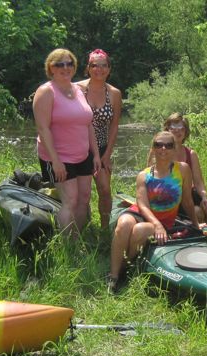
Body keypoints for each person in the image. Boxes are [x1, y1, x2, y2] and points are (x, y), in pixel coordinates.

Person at [108, 131, 200, 293]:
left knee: (140, 230)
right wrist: (156, 224)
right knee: (124, 225)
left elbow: (187, 200)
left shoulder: (183, 170)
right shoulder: (144, 175)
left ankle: (125, 267)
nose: (163, 148)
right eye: (158, 144)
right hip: (142, 213)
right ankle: (113, 276)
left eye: (168, 145)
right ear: (153, 148)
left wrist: (196, 224)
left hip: (165, 220)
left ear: (174, 149)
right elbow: (142, 205)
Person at [33, 48, 102, 240]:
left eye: (69, 63)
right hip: (59, 157)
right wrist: (55, 161)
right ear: (51, 68)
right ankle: (67, 248)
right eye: (59, 64)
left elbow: (87, 124)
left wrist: (95, 154)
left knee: (84, 198)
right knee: (70, 201)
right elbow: (43, 128)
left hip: (83, 155)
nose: (65, 68)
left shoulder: (78, 90)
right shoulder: (46, 91)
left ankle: (76, 240)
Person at [75, 49, 122, 229]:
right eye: (94, 65)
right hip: (79, 147)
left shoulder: (114, 94)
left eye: (103, 66)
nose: (99, 69)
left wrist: (107, 154)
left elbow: (115, 125)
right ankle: (84, 229)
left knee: (104, 189)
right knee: (82, 193)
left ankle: (104, 229)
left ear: (109, 69)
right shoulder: (77, 89)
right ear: (88, 68)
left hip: (102, 147)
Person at [147, 113, 207, 224]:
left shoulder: (191, 154)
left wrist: (204, 196)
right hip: (169, 194)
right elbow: (149, 178)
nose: (177, 131)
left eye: (181, 128)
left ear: (185, 132)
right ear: (167, 130)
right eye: (173, 128)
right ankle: (188, 227)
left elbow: (199, 183)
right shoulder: (158, 151)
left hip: (188, 192)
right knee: (197, 212)